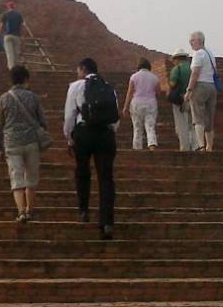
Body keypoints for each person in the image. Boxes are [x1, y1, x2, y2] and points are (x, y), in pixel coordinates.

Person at [64, 57, 119, 240]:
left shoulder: (76, 86)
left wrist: (69, 138)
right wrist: (110, 132)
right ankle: (107, 222)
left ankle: (83, 210)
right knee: (106, 178)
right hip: (105, 134)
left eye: (78, 70)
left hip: (84, 132)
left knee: (82, 171)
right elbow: (115, 117)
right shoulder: (108, 87)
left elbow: (70, 115)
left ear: (83, 69)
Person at [0, 65, 47, 223]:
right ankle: (30, 210)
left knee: (16, 178)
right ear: (26, 79)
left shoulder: (4, 98)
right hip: (31, 142)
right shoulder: (33, 97)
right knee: (31, 178)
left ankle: (21, 211)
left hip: (12, 143)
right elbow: (43, 122)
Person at [182, 31, 218, 151]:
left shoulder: (198, 54)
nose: (190, 43)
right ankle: (209, 145)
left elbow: (195, 73)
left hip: (200, 86)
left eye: (192, 40)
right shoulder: (210, 54)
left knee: (198, 116)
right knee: (209, 117)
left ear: (199, 41)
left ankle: (201, 145)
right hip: (211, 86)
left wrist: (189, 90)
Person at [122, 57, 159, 150]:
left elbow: (130, 92)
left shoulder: (134, 77)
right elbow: (158, 92)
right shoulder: (155, 77)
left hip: (136, 104)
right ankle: (152, 145)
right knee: (150, 126)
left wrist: (125, 107)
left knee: (137, 128)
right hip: (151, 103)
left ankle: (137, 148)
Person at [168, 48, 194, 151]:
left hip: (180, 98)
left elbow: (173, 83)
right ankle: (195, 146)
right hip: (193, 97)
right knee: (193, 124)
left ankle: (185, 148)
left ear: (176, 59)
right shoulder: (192, 68)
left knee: (181, 125)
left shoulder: (177, 69)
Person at [0, 1, 24, 69]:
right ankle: (17, 68)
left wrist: (0, 35)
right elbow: (21, 27)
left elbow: (1, 26)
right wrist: (21, 36)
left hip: (7, 36)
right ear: (14, 6)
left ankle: (12, 69)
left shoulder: (5, 14)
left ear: (8, 7)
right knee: (16, 54)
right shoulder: (19, 15)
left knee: (10, 54)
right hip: (16, 36)